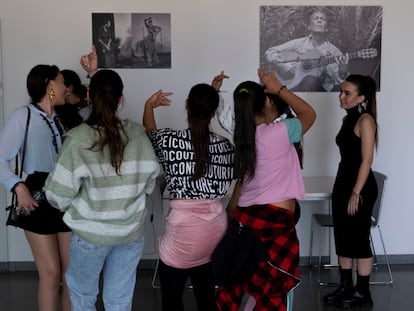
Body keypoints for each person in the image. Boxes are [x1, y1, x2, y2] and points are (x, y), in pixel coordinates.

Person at [44, 68, 161, 311]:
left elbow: (56, 195)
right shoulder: (138, 135)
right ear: (120, 99)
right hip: (129, 234)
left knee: (83, 298)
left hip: (90, 235)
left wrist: (79, 203)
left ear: (89, 94)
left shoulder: (77, 139)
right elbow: (151, 181)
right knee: (119, 301)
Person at [215, 68, 316, 311]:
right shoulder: (278, 133)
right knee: (270, 288)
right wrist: (280, 88)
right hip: (274, 223)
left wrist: (216, 92)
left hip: (247, 218)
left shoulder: (242, 135)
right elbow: (309, 113)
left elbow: (242, 179)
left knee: (247, 281)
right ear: (268, 102)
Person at [143, 83, 235, 311]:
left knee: (172, 301)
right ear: (214, 112)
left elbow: (149, 132)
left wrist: (148, 106)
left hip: (184, 231)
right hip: (215, 229)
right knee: (206, 295)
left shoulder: (169, 141)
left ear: (186, 105)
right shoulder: (225, 147)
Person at [0, 64, 71, 311]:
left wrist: (94, 73)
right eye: (62, 81)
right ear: (50, 85)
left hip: (65, 196)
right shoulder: (23, 116)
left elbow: (104, 111)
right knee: (51, 275)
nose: (66, 87)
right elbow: (0, 158)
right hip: (37, 197)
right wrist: (18, 187)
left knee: (70, 276)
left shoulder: (61, 118)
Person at [323, 74, 378, 309]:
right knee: (343, 236)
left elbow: (366, 161)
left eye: (347, 93)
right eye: (341, 91)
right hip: (343, 184)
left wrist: (356, 193)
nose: (341, 96)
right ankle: (346, 286)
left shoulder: (365, 120)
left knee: (358, 239)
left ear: (361, 98)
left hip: (360, 187)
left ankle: (362, 293)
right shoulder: (347, 120)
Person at [264, 8, 349, 92]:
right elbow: (270, 52)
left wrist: (343, 72)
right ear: (309, 26)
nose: (319, 21)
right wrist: (282, 66)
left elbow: (338, 83)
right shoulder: (299, 43)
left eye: (322, 19)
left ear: (326, 28)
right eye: (316, 18)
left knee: (310, 79)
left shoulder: (334, 52)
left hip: (319, 90)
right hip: (293, 85)